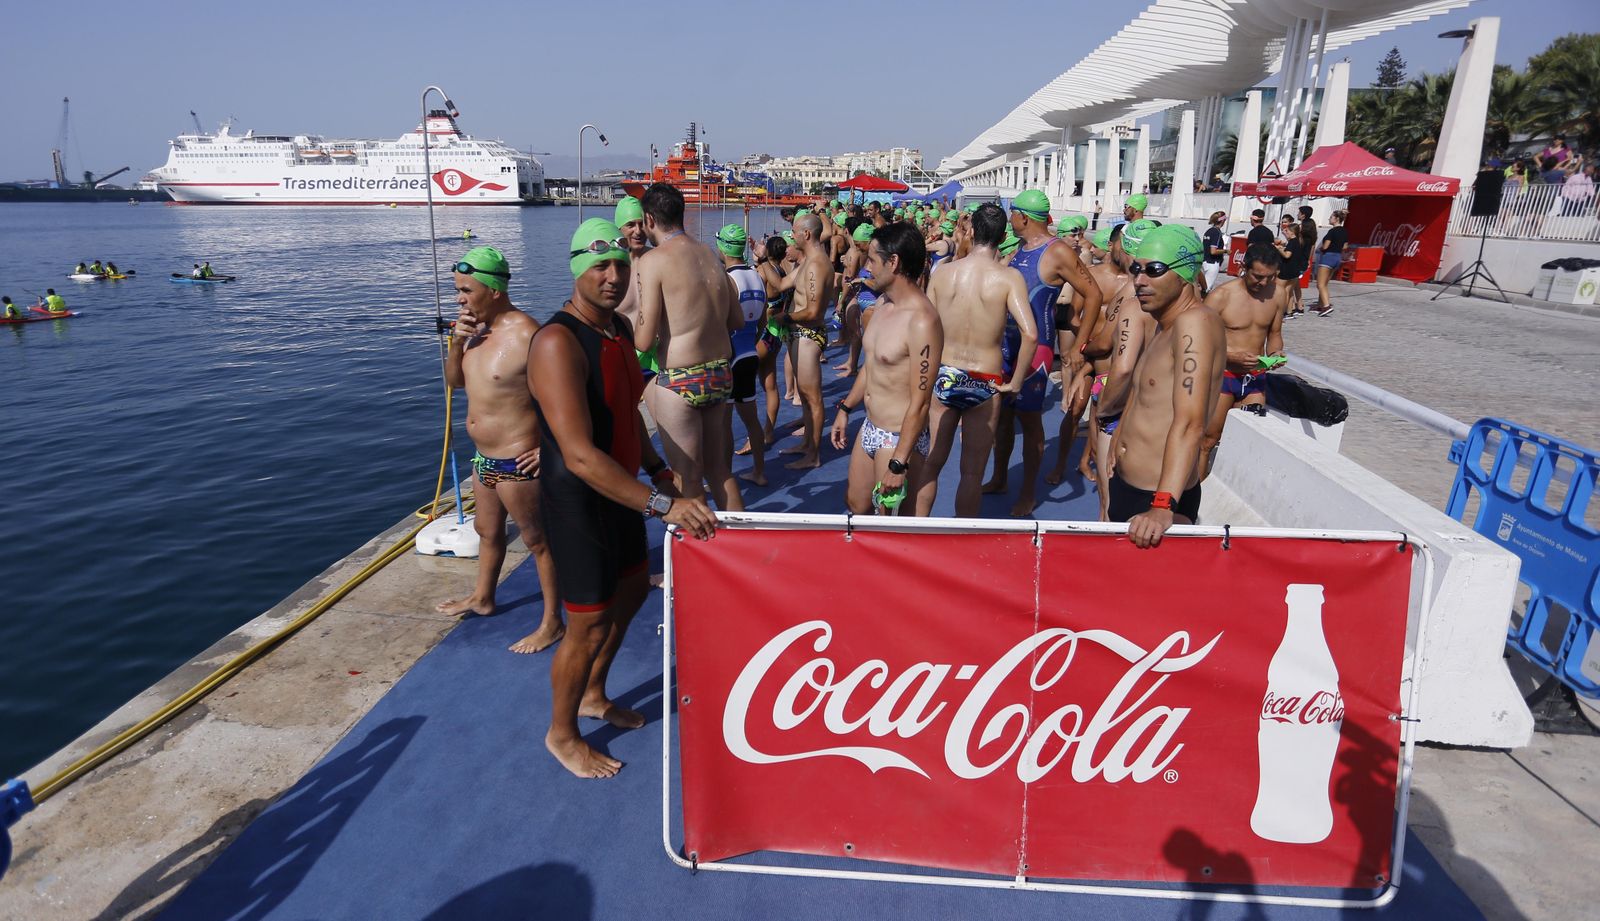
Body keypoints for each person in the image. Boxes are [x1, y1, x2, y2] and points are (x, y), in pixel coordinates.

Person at [528, 218, 716, 778]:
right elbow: (581, 454)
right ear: (576, 269)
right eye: (598, 266)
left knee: (632, 592)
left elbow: (626, 411)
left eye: (619, 267)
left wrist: (656, 467)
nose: (612, 277)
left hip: (623, 493)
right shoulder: (558, 341)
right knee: (585, 623)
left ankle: (593, 692)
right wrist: (662, 505)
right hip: (579, 500)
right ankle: (561, 734)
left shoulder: (617, 335)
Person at [434, 246, 567, 655]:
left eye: (466, 290)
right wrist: (457, 343)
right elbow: (456, 382)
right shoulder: (474, 331)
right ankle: (483, 597)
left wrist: (550, 449)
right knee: (487, 533)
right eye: (457, 289)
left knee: (538, 541)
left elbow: (563, 397)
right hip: (483, 458)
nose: (459, 298)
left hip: (518, 460)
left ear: (493, 290)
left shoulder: (528, 334)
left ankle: (552, 623)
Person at [983, 189, 1102, 517]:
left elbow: (1093, 294)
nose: (1010, 219)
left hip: (1036, 350)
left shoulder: (1058, 251)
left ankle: (1028, 494)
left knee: (1030, 421)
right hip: (1007, 347)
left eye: (1012, 213)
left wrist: (1081, 344)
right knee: (1003, 418)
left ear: (1023, 216)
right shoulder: (1020, 248)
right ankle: (1000, 477)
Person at [1107, 224, 1225, 547]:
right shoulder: (1165, 325)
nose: (1140, 280)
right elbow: (1145, 392)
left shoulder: (1194, 322)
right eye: (1136, 269)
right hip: (1132, 488)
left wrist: (1162, 506)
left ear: (1185, 273)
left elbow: (1190, 422)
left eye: (1154, 270)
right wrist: (1119, 436)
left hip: (1156, 501)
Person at [632, 183, 745, 511]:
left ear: (649, 219)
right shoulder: (710, 255)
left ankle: (700, 555)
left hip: (680, 378)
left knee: (688, 477)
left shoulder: (653, 261)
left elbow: (644, 338)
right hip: (720, 373)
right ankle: (741, 547)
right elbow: (736, 319)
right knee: (719, 470)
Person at [919, 204, 1036, 516]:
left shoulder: (943, 273)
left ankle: (915, 531)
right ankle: (961, 542)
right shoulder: (1009, 278)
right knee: (972, 473)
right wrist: (1016, 382)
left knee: (931, 463)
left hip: (945, 372)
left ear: (970, 231)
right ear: (1003, 236)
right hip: (985, 378)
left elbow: (924, 326)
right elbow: (1031, 334)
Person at [830, 223, 943, 516]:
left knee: (890, 522)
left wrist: (899, 462)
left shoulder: (922, 321)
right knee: (856, 505)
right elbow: (872, 364)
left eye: (872, 260)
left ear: (893, 262)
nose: (867, 268)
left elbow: (921, 401)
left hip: (896, 437)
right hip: (869, 426)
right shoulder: (882, 306)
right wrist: (845, 407)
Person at [1199, 243, 1287, 479]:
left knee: (1243, 439)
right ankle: (1194, 497)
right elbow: (1197, 340)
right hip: (1223, 377)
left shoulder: (1278, 294)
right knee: (1208, 439)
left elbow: (1275, 334)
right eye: (1258, 276)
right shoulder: (1221, 296)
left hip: (1255, 379)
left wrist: (1276, 353)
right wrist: (1230, 355)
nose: (1263, 283)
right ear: (1243, 268)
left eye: (1270, 277)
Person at [775, 211, 837, 469]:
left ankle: (814, 454)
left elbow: (812, 312)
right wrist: (765, 258)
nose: (791, 235)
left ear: (807, 234)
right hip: (799, 335)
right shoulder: (806, 263)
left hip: (809, 335)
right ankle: (807, 444)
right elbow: (780, 285)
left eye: (794, 232)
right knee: (805, 393)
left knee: (813, 397)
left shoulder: (816, 265)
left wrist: (785, 318)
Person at [715, 224, 770, 487]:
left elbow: (721, 323)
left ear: (723, 247)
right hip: (749, 352)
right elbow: (761, 322)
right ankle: (759, 471)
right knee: (751, 421)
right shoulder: (757, 275)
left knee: (724, 425)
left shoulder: (727, 279)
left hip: (730, 354)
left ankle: (724, 478)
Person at [611, 196, 655, 378]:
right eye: (630, 225)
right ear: (619, 228)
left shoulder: (658, 260)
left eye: (642, 223)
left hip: (656, 361)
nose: (638, 231)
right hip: (621, 359)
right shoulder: (610, 268)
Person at [1311, 209, 1347, 315]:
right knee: (1325, 283)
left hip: (1328, 257)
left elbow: (1326, 246)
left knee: (1320, 284)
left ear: (1336, 219)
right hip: (1337, 257)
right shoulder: (1344, 231)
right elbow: (1345, 246)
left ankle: (1326, 306)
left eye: (1331, 217)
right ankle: (1320, 305)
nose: (1329, 218)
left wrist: (1320, 249)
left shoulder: (1332, 231)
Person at [1275, 215, 1308, 319]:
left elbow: (1287, 255)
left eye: (1287, 231)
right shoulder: (1297, 242)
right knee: (1288, 292)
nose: (1286, 233)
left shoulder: (1292, 242)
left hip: (1287, 270)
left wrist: (1279, 249)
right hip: (1294, 271)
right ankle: (1288, 312)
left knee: (1279, 291)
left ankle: (1280, 312)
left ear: (1292, 233)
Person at [1201, 211, 1227, 291]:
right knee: (1207, 288)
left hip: (1204, 261)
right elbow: (1213, 251)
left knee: (1202, 286)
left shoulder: (1208, 231)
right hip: (1212, 263)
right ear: (1222, 221)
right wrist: (1225, 251)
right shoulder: (1217, 232)